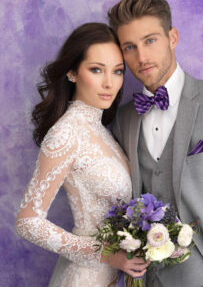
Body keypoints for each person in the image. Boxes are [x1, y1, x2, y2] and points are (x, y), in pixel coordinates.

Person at [16, 22, 149, 287]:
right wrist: (105, 253)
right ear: (73, 72)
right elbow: (27, 222)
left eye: (118, 71)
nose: (109, 83)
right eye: (96, 70)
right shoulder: (66, 134)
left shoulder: (101, 129)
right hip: (84, 278)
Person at [108, 0, 203, 287]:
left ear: (172, 37)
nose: (142, 57)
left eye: (150, 40)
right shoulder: (122, 120)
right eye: (129, 47)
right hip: (147, 279)